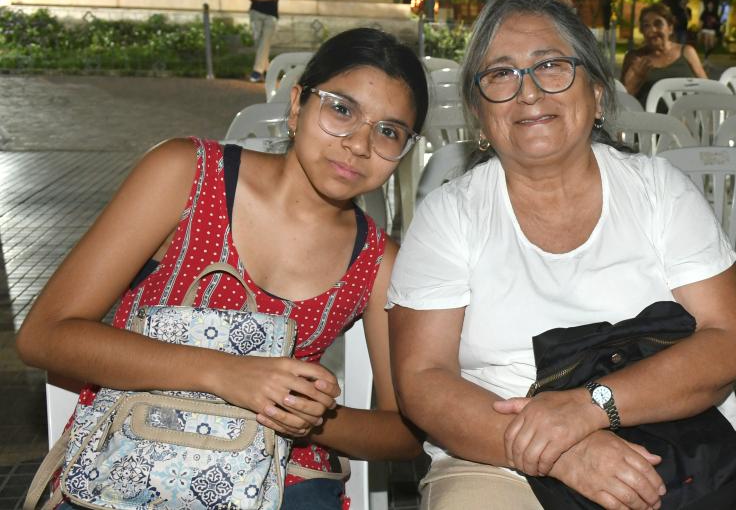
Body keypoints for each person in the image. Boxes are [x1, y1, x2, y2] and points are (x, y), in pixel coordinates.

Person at [16, 28, 429, 509]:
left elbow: (404, 431)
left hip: (278, 474)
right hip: (131, 454)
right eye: (342, 109)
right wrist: (226, 375)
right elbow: (45, 334)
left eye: (388, 132)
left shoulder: (376, 262)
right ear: (297, 106)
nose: (359, 143)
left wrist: (306, 417)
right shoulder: (186, 175)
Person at [388, 0, 736, 510]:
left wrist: (589, 408)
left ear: (598, 94)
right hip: (500, 456)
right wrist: (560, 451)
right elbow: (423, 380)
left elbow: (725, 340)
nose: (528, 93)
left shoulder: (659, 190)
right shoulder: (450, 215)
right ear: (478, 112)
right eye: (501, 74)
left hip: (679, 443)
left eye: (551, 66)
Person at [620, 3, 707, 108]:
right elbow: (621, 101)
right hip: (647, 116)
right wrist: (637, 78)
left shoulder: (687, 52)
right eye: (646, 25)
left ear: (670, 28)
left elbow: (707, 88)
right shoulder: (635, 57)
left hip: (686, 116)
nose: (652, 30)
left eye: (658, 24)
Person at [245, 0, 281, 84]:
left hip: (271, 14)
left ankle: (257, 71)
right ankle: (268, 71)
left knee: (264, 41)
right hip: (255, 13)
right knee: (259, 43)